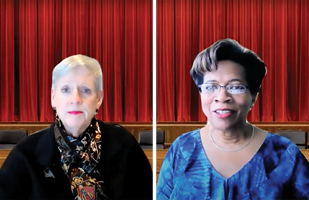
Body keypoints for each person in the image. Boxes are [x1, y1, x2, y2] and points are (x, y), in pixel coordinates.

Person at [156, 39, 309, 199]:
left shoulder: (284, 154)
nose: (222, 97)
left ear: (254, 96)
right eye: (211, 87)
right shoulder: (182, 149)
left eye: (236, 87)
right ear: (200, 94)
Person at [0, 55, 152, 199]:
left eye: (85, 90)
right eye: (66, 90)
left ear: (99, 99)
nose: (75, 99)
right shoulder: (25, 155)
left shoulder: (126, 147)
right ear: (53, 97)